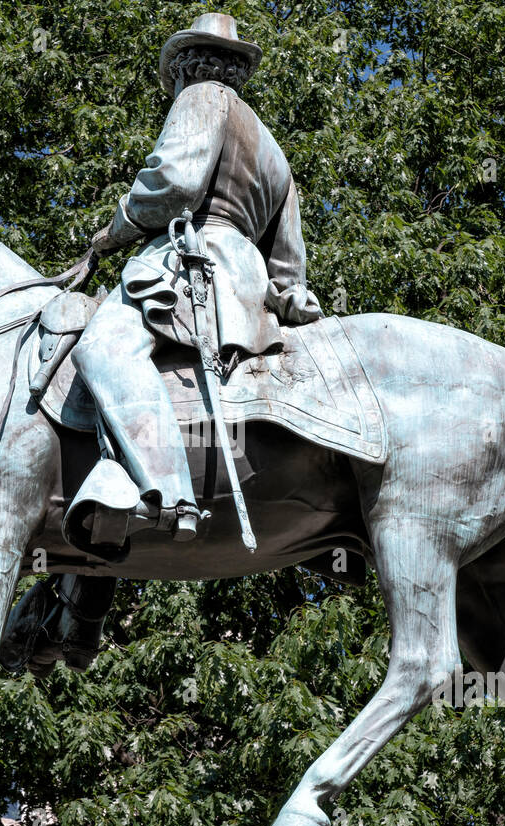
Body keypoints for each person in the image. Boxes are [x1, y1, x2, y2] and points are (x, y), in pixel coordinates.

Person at [71, 12, 323, 545]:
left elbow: (175, 182)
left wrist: (112, 232)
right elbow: (289, 266)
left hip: (191, 261)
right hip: (245, 283)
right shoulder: (273, 150)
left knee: (103, 347)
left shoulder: (202, 98)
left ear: (186, 68)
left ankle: (161, 491)